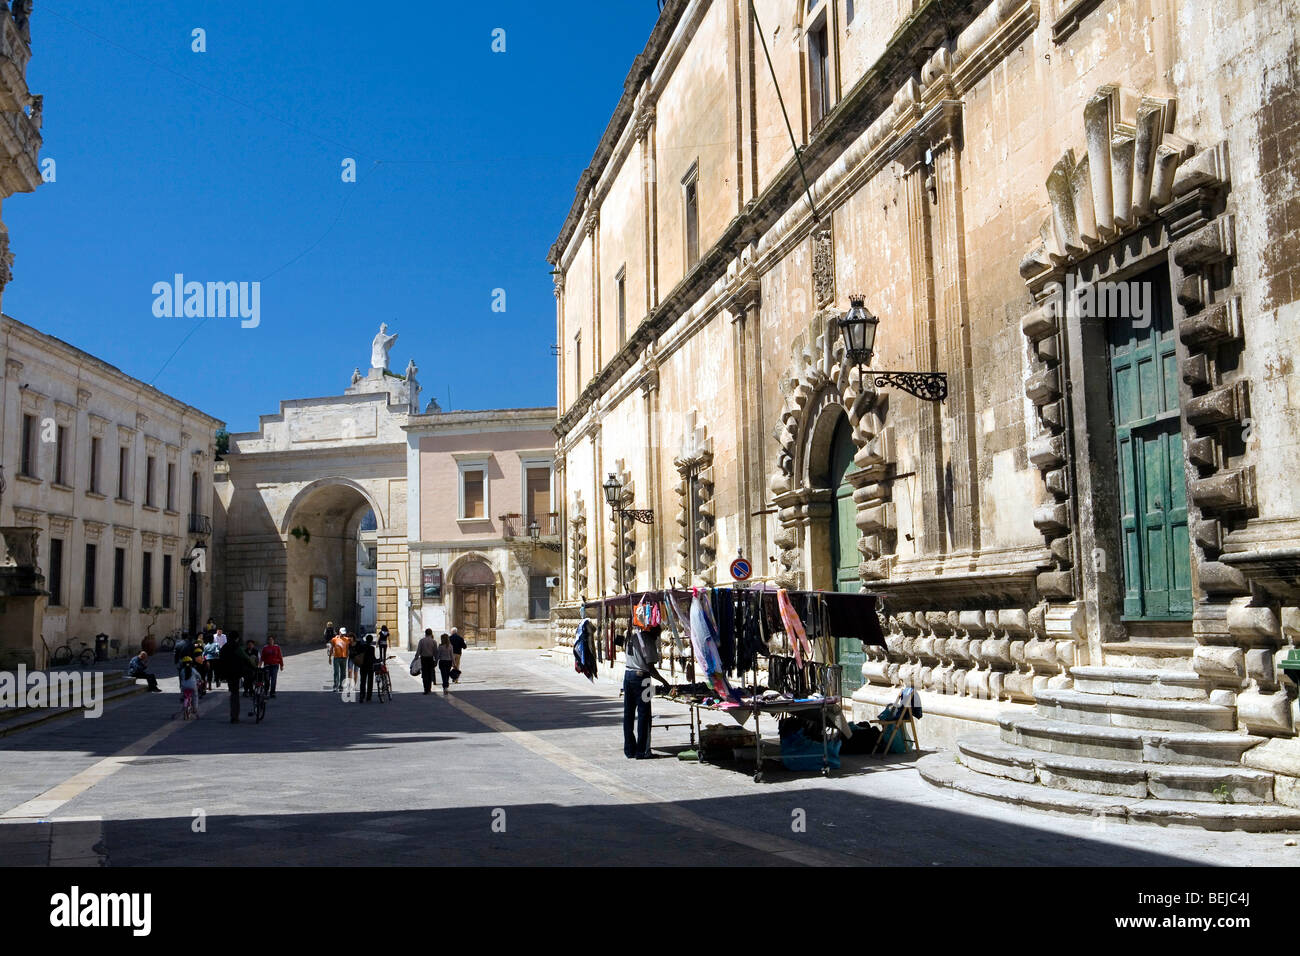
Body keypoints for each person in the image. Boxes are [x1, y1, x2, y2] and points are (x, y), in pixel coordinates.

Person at [622, 626, 670, 759]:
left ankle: (629, 750)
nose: (658, 637)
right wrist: (665, 683)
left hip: (628, 675)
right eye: (658, 633)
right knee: (644, 715)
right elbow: (651, 668)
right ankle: (642, 751)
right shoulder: (647, 640)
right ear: (653, 631)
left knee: (629, 714)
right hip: (642, 678)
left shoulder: (632, 636)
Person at [219, 636, 257, 723]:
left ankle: (234, 715)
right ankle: (235, 716)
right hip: (236, 673)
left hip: (227, 674)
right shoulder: (236, 647)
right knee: (235, 695)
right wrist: (254, 667)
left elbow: (220, 659)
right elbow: (246, 658)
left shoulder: (224, 647)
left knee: (233, 693)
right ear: (236, 639)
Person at [355, 635, 377, 703]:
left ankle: (362, 696)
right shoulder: (372, 648)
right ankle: (368, 697)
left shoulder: (362, 647)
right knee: (370, 682)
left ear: (366, 640)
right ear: (371, 641)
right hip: (370, 667)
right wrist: (378, 660)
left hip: (363, 666)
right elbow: (373, 658)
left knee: (363, 681)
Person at [416, 628, 438, 695]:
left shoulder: (421, 641)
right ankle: (429, 688)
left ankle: (426, 689)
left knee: (424, 674)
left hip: (424, 659)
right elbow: (435, 652)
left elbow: (418, 651)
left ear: (425, 633)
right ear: (431, 634)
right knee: (430, 673)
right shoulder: (434, 641)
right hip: (430, 659)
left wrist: (415, 659)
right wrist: (436, 661)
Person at [329, 627, 351, 692]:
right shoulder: (334, 639)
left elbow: (349, 648)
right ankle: (335, 686)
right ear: (339, 632)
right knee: (336, 672)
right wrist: (330, 657)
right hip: (336, 657)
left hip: (344, 658)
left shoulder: (347, 639)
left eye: (344, 633)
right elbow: (331, 648)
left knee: (343, 673)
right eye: (342, 633)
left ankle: (341, 686)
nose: (343, 634)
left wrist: (348, 656)